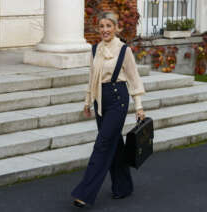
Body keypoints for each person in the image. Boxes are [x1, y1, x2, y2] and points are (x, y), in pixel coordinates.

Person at [71, 11, 146, 208]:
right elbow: (91, 77)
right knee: (114, 143)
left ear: (116, 27)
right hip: (100, 101)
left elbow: (134, 78)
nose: (105, 30)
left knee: (102, 144)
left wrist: (139, 107)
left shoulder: (124, 50)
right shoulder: (94, 50)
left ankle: (84, 193)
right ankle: (123, 186)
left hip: (118, 100)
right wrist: (88, 101)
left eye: (109, 26)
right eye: (102, 26)